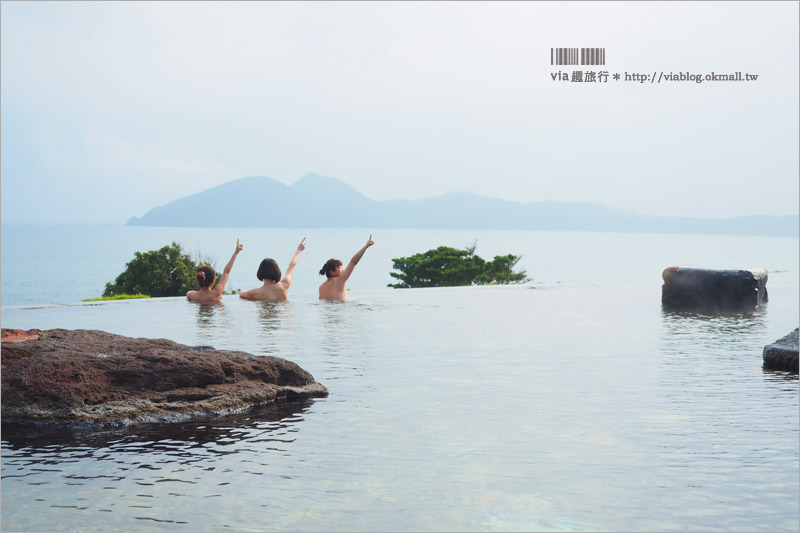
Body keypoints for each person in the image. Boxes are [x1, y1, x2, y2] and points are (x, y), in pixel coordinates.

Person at [239, 237, 307, 302]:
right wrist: (299, 250)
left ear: (260, 272)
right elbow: (292, 265)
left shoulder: (255, 292)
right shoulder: (284, 285)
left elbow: (241, 293)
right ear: (277, 271)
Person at [319, 234, 374, 301]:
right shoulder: (340, 279)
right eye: (340, 267)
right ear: (332, 272)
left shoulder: (321, 287)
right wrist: (365, 247)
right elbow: (353, 262)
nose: (343, 270)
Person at [187, 239, 243, 304]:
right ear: (213, 280)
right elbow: (226, 271)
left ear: (198, 278)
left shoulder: (191, 295)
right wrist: (236, 252)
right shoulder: (216, 294)